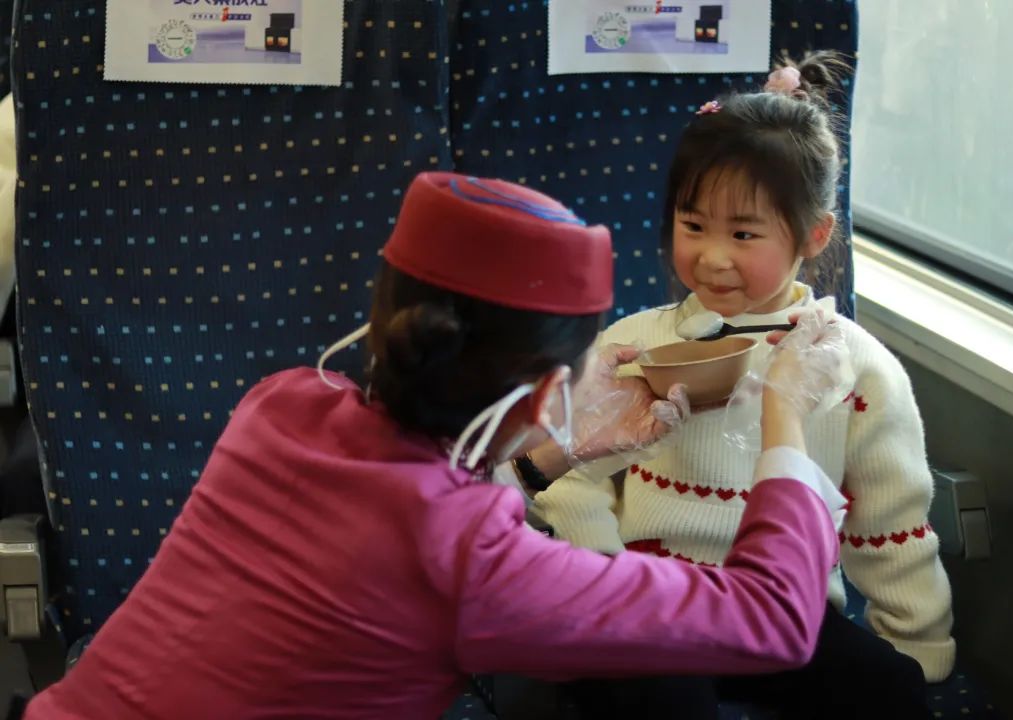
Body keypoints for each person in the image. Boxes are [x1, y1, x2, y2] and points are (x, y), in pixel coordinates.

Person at [23, 172, 847, 720]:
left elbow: (388, 526)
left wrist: (538, 456)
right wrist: (786, 411)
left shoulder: (278, 406)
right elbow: (772, 620)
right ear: (547, 392)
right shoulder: (475, 561)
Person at [535, 52, 954, 720]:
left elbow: (891, 518)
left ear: (813, 235)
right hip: (653, 603)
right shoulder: (629, 347)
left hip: (785, 610)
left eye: (744, 232)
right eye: (693, 225)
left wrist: (917, 645)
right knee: (663, 699)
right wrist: (604, 577)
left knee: (891, 690)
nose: (712, 255)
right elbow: (569, 479)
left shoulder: (855, 367)